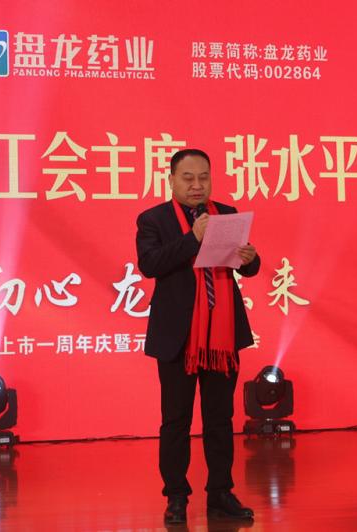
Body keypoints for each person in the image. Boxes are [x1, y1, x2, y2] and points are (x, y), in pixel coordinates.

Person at [135, 148, 260, 525]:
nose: (197, 185)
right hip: (178, 336)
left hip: (221, 335)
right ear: (172, 180)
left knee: (220, 418)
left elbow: (246, 268)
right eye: (188, 178)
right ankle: (176, 496)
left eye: (203, 177)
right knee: (176, 420)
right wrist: (193, 238)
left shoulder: (226, 213)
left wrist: (250, 258)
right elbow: (150, 265)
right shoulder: (153, 219)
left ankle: (220, 492)